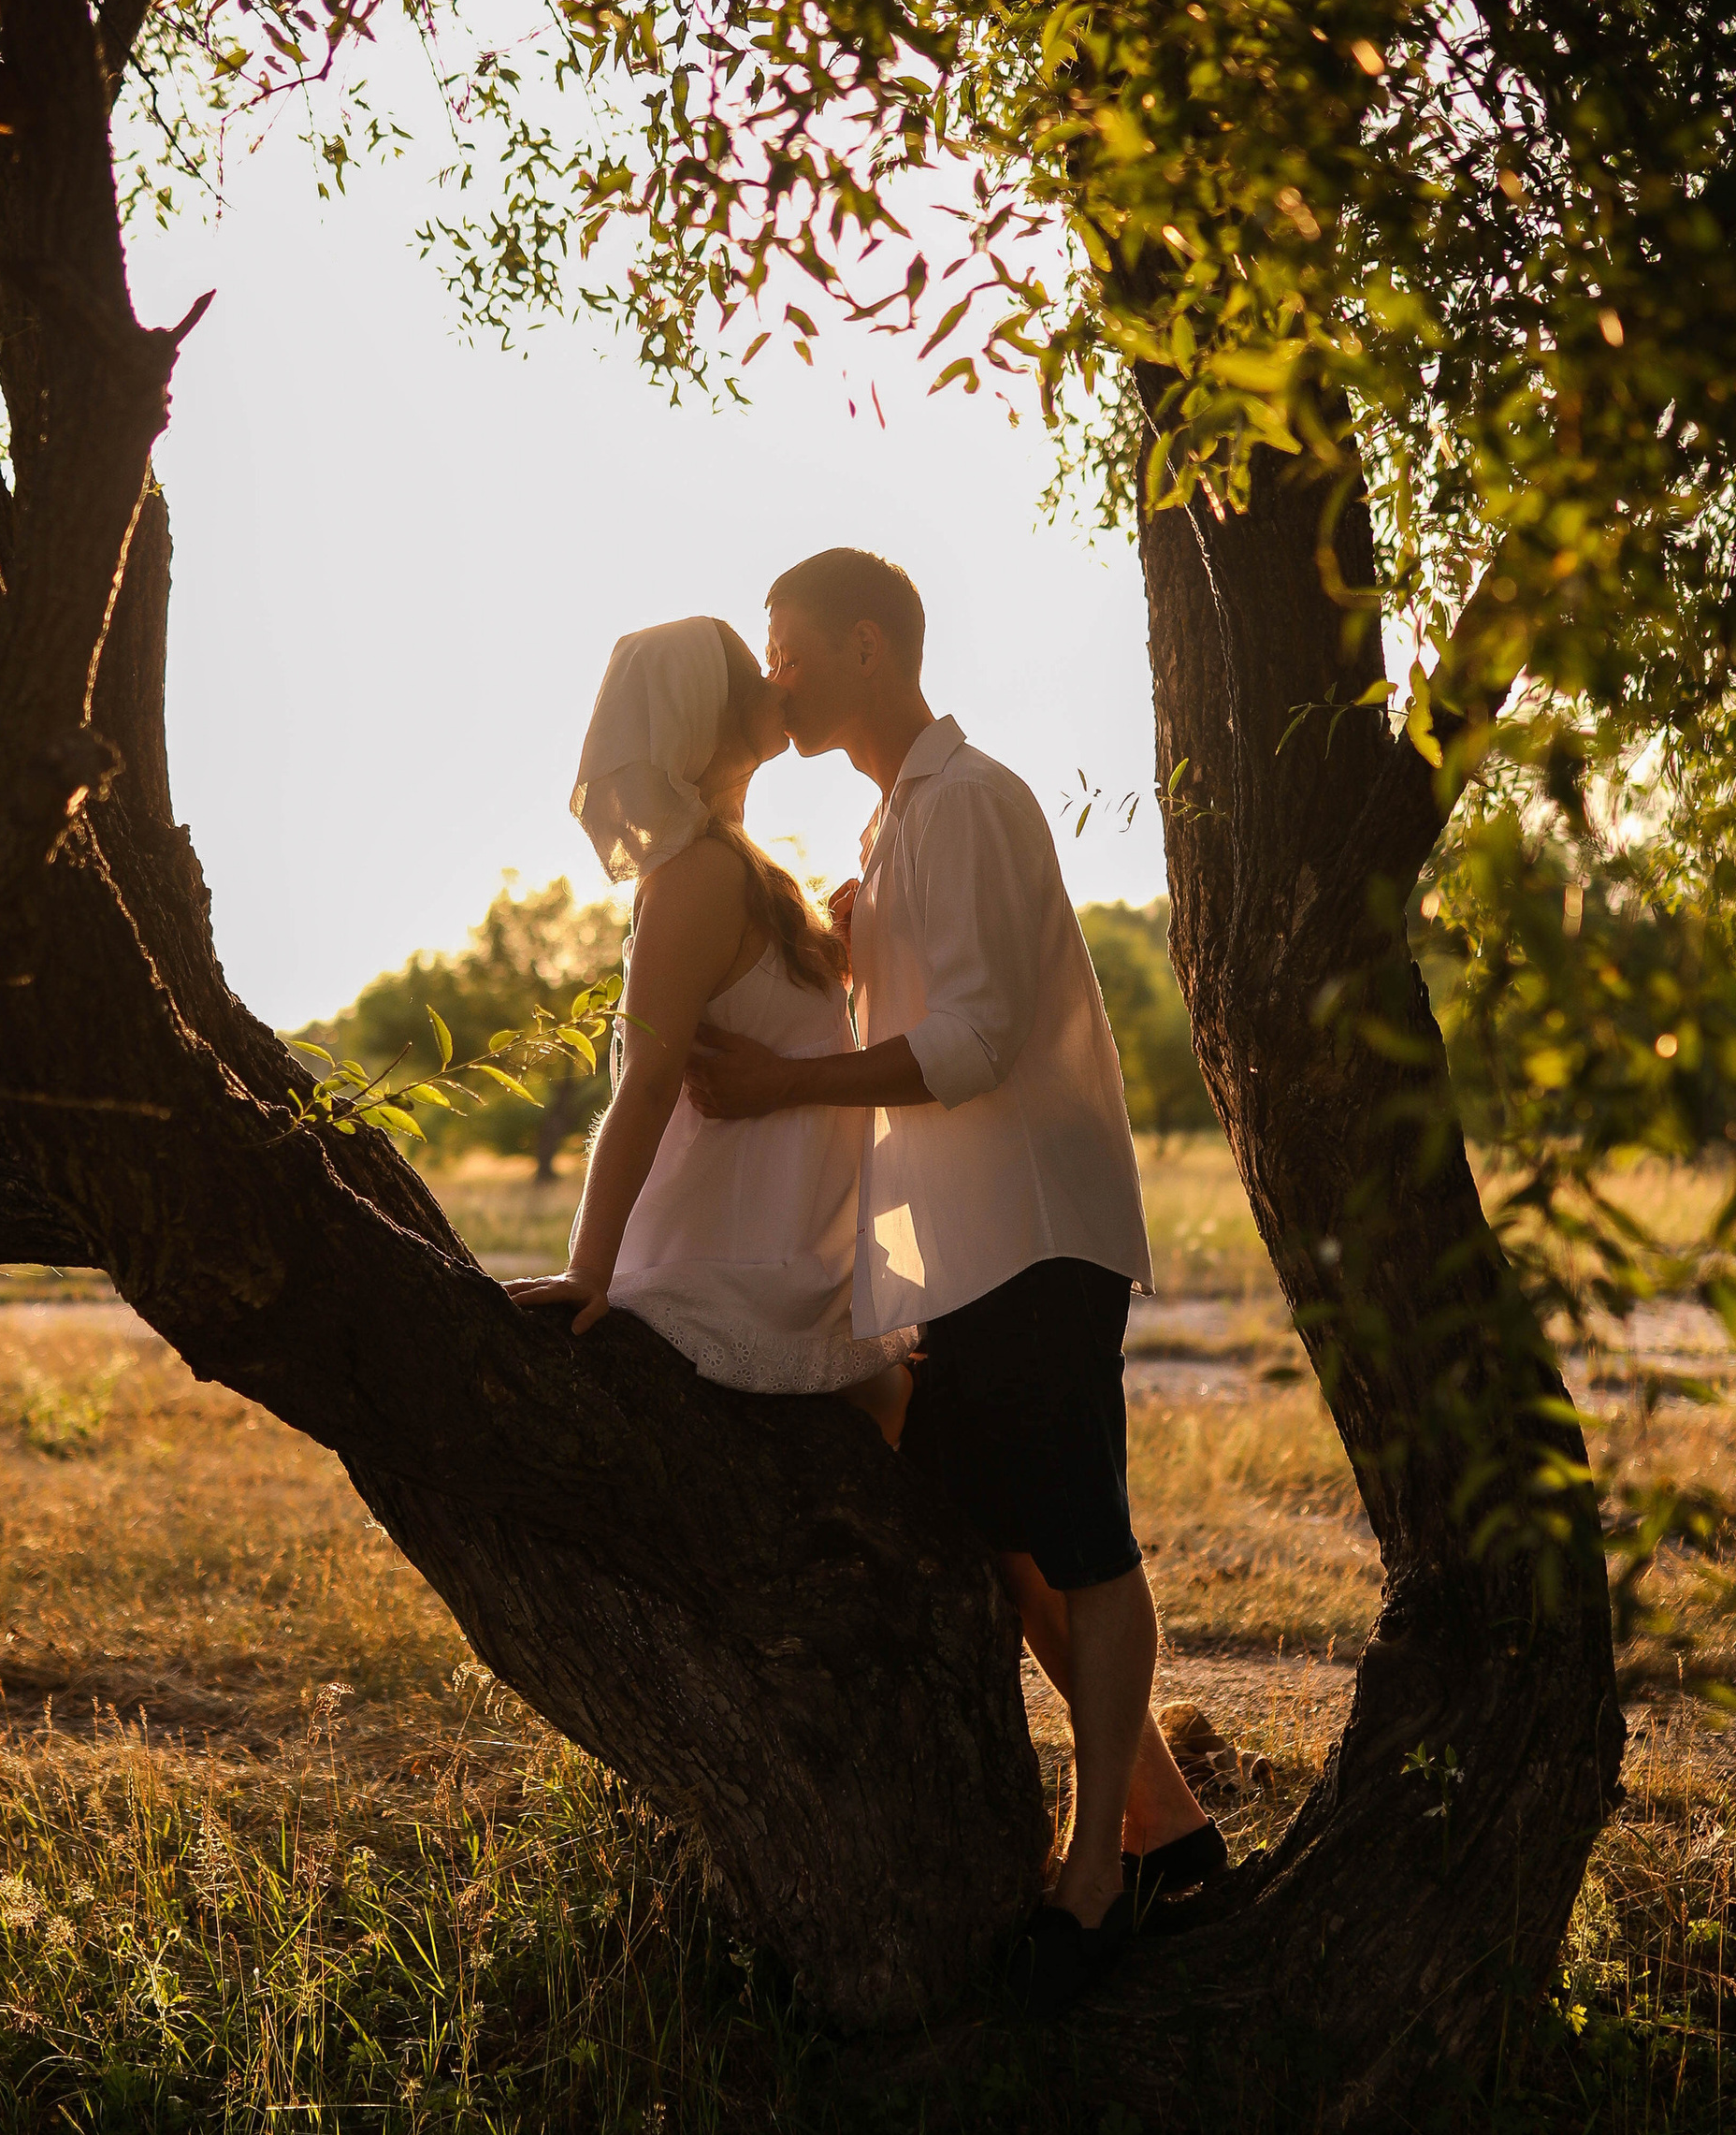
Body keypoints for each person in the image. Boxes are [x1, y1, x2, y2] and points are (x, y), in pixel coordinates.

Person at [684, 547, 1225, 2014]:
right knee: (1012, 1544)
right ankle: (1165, 1828)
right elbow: (935, 1009)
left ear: (871, 647)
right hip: (974, 1250)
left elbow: (979, 1045)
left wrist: (778, 1094)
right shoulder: (900, 820)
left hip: (1041, 1233)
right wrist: (856, 958)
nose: (773, 672)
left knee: (1084, 1547)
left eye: (790, 646)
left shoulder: (972, 801)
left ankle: (1105, 1876)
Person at [506, 615, 913, 1431]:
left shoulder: (748, 867)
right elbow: (651, 1082)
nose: (776, 679)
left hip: (793, 1242)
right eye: (751, 671)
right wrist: (590, 1270)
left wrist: (834, 943)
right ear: (705, 714)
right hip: (732, 1252)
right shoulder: (694, 878)